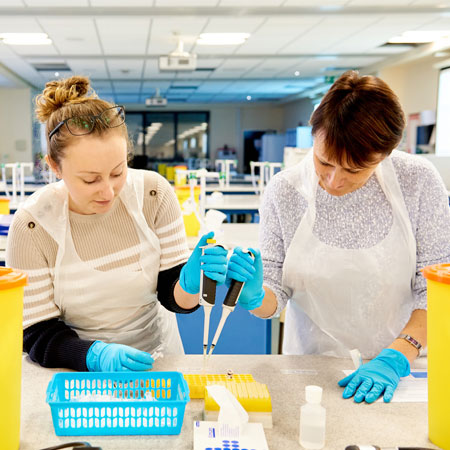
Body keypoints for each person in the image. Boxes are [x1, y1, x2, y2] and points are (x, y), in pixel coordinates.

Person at [226, 71, 450, 403]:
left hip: (402, 369)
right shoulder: (284, 192)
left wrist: (399, 355)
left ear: (387, 153)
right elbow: (276, 294)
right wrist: (256, 296)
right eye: (324, 161)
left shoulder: (417, 181)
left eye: (354, 169)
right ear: (313, 136)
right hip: (311, 373)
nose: (333, 181)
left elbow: (436, 288)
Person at [6, 76, 228, 372]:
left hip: (157, 361)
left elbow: (172, 295)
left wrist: (189, 283)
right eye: (90, 179)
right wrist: (94, 355)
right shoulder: (33, 225)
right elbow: (35, 332)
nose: (108, 191)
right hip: (72, 372)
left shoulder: (153, 194)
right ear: (55, 166)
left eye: (117, 172)